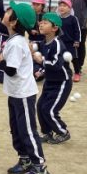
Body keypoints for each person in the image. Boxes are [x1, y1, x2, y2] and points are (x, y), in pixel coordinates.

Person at [0, 1, 50, 174]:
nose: (6, 12)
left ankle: (40, 167)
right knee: (16, 128)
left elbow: (11, 70)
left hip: (23, 93)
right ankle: (25, 159)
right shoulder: (13, 40)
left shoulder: (16, 43)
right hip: (15, 92)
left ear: (14, 22)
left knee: (27, 130)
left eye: (9, 11)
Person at [34, 12, 72, 145]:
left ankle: (63, 132)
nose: (41, 24)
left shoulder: (57, 44)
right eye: (41, 22)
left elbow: (56, 64)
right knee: (40, 106)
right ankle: (47, 132)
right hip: (50, 81)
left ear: (54, 28)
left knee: (49, 109)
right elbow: (37, 46)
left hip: (61, 82)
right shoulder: (44, 42)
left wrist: (41, 61)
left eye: (45, 23)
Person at [57, 0, 82, 82]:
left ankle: (77, 73)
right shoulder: (57, 19)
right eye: (60, 6)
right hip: (60, 42)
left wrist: (77, 41)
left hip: (71, 43)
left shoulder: (73, 19)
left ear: (70, 8)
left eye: (64, 6)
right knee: (62, 58)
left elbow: (77, 31)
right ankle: (66, 73)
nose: (62, 7)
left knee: (74, 58)